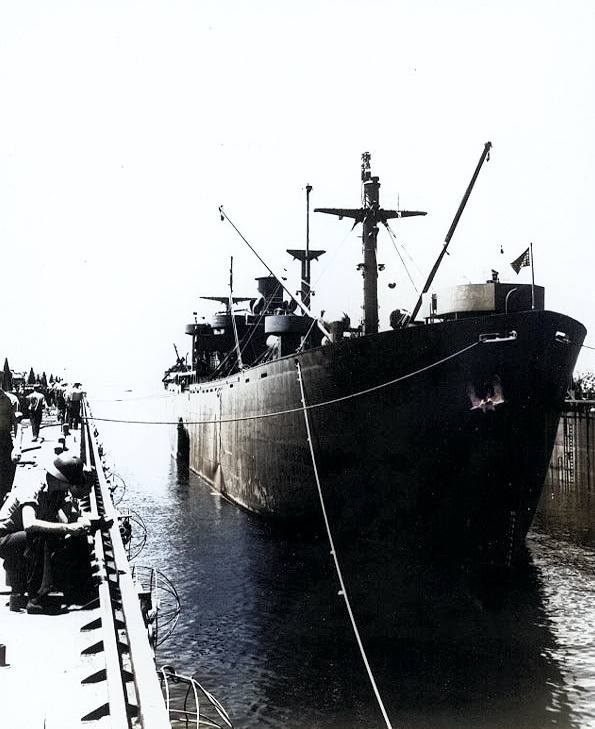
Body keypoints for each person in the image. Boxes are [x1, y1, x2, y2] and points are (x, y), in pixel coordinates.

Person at [0, 454, 94, 613]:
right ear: (63, 481)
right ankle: (35, 598)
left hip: (21, 537)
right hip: (4, 538)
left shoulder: (56, 490)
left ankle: (71, 588)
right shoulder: (33, 487)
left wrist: (81, 521)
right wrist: (67, 529)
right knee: (40, 535)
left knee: (59, 536)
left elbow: (66, 517)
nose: (70, 489)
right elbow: (29, 524)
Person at [0, 387, 22, 504]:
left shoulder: (12, 400)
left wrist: (17, 447)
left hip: (4, 443)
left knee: (4, 483)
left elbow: (17, 425)